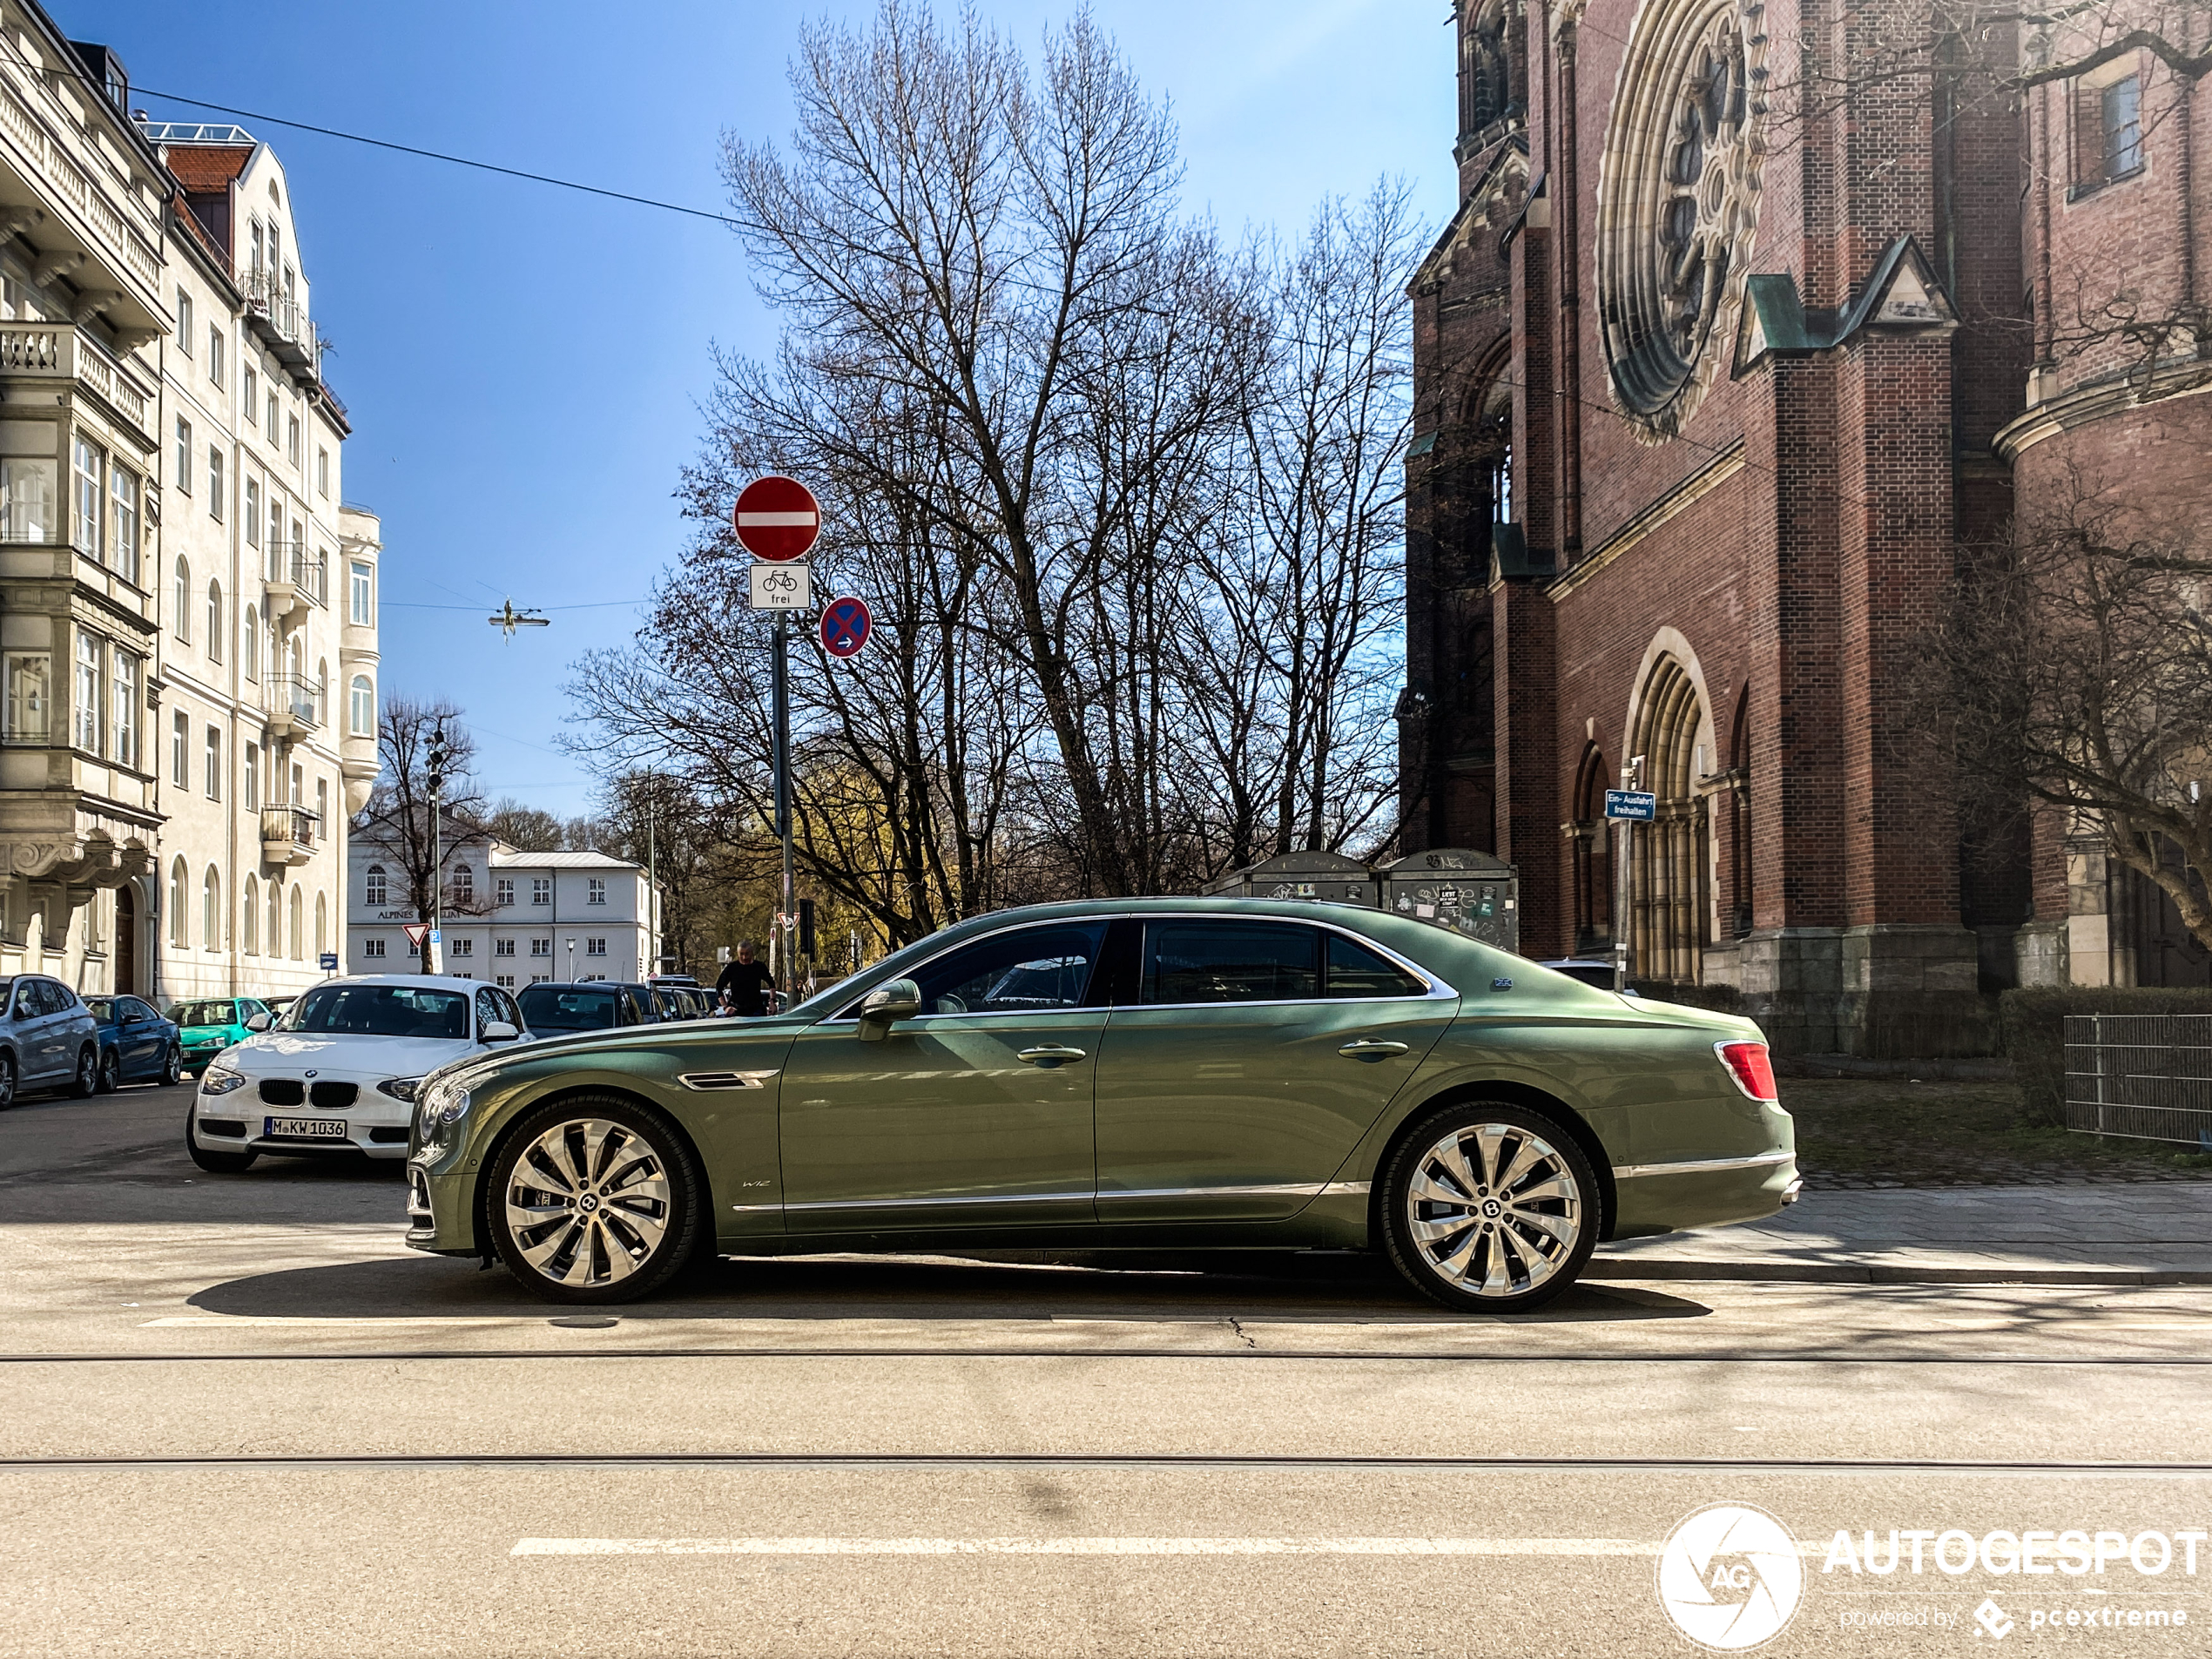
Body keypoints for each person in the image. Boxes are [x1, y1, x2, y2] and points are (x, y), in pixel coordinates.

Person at [715, 940, 777, 1017]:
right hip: (736, 1010)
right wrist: (725, 1007)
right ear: (738, 954)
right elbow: (719, 987)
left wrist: (772, 1002)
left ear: (752, 953)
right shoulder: (731, 968)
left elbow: (771, 984)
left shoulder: (759, 967)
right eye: (742, 954)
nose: (744, 957)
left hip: (756, 1010)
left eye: (747, 954)